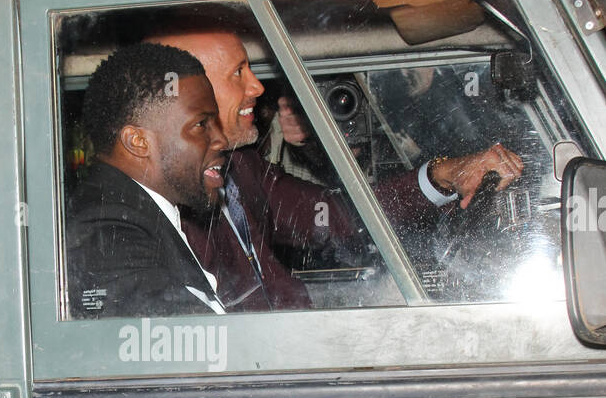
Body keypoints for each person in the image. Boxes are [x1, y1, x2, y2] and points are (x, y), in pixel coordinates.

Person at [148, 22, 525, 311]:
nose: (257, 87)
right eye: (238, 73)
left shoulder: (242, 168)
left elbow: (338, 216)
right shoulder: (154, 206)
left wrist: (443, 176)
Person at [67, 42, 228, 317]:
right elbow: (200, 350)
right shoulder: (107, 236)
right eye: (201, 125)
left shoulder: (136, 215)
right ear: (138, 142)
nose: (221, 140)